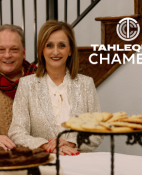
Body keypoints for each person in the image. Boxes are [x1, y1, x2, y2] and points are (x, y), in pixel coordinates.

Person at [8, 20, 103, 156]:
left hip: (79, 161)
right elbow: (16, 132)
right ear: (42, 50)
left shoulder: (86, 84)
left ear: (70, 50)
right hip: (43, 161)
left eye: (62, 45)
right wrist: (46, 145)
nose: (56, 51)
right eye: (49, 45)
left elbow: (97, 131)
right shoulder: (26, 85)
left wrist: (71, 143)